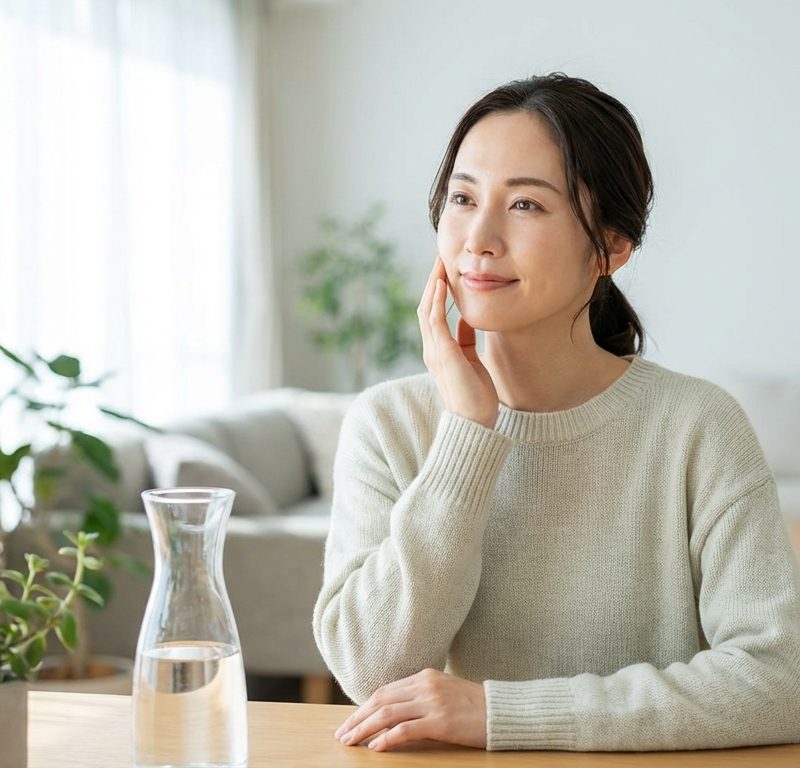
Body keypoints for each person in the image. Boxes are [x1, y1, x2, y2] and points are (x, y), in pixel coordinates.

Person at [311, 73, 800, 753]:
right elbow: (373, 672)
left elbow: (779, 681)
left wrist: (501, 714)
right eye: (462, 198)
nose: (478, 237)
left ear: (611, 248)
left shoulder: (698, 426)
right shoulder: (390, 424)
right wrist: (466, 434)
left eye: (527, 206)